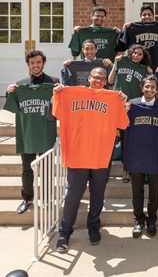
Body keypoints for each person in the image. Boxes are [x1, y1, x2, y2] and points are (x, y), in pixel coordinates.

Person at [52, 67, 128, 253]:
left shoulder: (112, 98)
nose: (99, 81)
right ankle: (64, 233)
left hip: (101, 155)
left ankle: (93, 227)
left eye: (102, 78)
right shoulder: (71, 93)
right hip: (78, 155)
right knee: (72, 196)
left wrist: (122, 103)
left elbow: (123, 124)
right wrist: (57, 94)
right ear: (89, 78)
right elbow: (55, 112)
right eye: (96, 77)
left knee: (97, 195)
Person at [4, 49, 59, 214]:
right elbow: (12, 107)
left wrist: (62, 91)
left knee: (47, 169)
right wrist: (9, 93)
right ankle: (27, 199)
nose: (36, 65)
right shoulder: (20, 85)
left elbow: (62, 106)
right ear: (28, 64)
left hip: (46, 133)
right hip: (26, 133)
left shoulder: (54, 82)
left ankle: (48, 199)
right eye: (32, 63)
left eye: (38, 62)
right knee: (27, 169)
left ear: (44, 62)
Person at [123, 75, 158, 238]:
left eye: (153, 87)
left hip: (155, 153)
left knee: (154, 191)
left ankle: (151, 220)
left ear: (157, 90)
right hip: (136, 153)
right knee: (137, 190)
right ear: (142, 88)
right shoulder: (132, 105)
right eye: (147, 87)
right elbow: (122, 125)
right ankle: (138, 220)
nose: (149, 90)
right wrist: (123, 110)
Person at [108, 44, 153, 183]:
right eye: (134, 53)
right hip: (116, 105)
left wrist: (150, 73)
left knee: (127, 140)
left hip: (131, 107)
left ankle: (127, 170)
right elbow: (110, 81)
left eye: (140, 54)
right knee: (108, 138)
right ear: (130, 53)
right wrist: (115, 63)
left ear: (143, 57)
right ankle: (103, 169)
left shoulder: (144, 69)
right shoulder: (120, 61)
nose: (136, 56)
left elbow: (150, 87)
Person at [115, 4, 158, 71]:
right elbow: (120, 47)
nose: (147, 16)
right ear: (140, 17)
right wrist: (122, 32)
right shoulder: (132, 28)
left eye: (149, 14)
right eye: (144, 15)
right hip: (138, 69)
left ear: (153, 16)